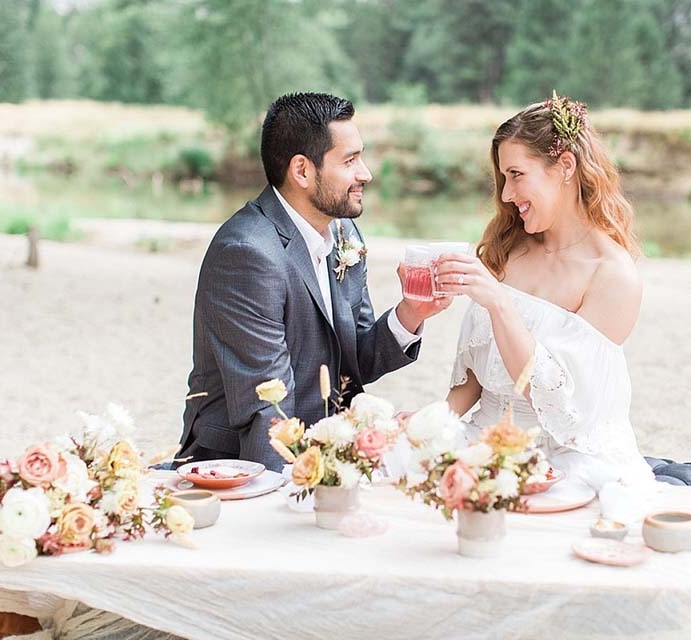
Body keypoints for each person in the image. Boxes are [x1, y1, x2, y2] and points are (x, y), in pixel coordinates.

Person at [178, 92, 450, 470]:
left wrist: (409, 313)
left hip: (327, 451)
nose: (366, 173)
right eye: (350, 160)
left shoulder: (344, 233)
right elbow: (265, 408)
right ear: (302, 170)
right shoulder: (247, 253)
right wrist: (288, 498)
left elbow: (355, 362)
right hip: (243, 463)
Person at [433, 95, 655, 503]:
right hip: (483, 436)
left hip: (564, 455)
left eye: (517, 174)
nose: (506, 195)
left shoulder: (612, 276)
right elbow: (474, 380)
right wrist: (432, 423)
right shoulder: (507, 248)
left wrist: (499, 304)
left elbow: (551, 398)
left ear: (565, 167)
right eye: (503, 178)